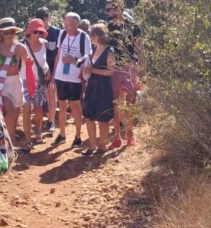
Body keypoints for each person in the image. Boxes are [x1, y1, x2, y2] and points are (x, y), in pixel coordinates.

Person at [105, 0, 144, 147]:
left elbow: (140, 48)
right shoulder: (107, 27)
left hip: (130, 67)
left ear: (119, 8)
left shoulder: (134, 26)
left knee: (131, 101)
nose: (108, 13)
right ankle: (116, 137)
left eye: (110, 9)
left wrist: (142, 68)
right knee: (116, 102)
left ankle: (130, 134)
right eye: (107, 10)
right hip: (114, 68)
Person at [51, 12, 92, 148]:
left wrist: (73, 60)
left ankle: (78, 136)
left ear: (76, 24)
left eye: (70, 25)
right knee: (61, 105)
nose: (67, 27)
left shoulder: (84, 37)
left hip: (75, 78)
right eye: (65, 24)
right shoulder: (62, 34)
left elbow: (88, 57)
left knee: (75, 106)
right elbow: (58, 55)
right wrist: (53, 75)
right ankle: (62, 135)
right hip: (60, 76)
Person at [0, 17, 28, 144]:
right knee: (8, 111)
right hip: (0, 83)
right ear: (1, 34)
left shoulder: (20, 47)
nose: (9, 34)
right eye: (6, 32)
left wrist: (31, 84)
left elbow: (29, 66)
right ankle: (8, 141)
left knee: (14, 115)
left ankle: (10, 137)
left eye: (12, 32)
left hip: (16, 82)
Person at [82, 23, 115, 155]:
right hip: (92, 86)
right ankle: (91, 146)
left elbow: (111, 72)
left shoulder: (110, 50)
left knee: (103, 118)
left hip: (103, 88)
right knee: (89, 116)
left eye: (92, 35)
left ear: (97, 35)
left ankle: (102, 146)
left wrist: (93, 70)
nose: (91, 37)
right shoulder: (94, 49)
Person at [20, 18, 51, 153]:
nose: (38, 35)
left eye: (41, 32)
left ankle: (38, 132)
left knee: (39, 110)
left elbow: (44, 61)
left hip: (39, 81)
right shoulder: (21, 46)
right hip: (25, 81)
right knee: (26, 110)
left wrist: (48, 70)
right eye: (35, 32)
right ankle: (27, 139)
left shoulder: (44, 44)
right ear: (29, 32)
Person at [35, 7, 60, 134]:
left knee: (51, 93)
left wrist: (54, 73)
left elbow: (58, 54)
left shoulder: (57, 32)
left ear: (48, 17)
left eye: (44, 19)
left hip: (53, 67)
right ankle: (40, 122)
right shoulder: (35, 32)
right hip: (38, 69)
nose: (43, 23)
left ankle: (51, 122)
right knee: (39, 95)